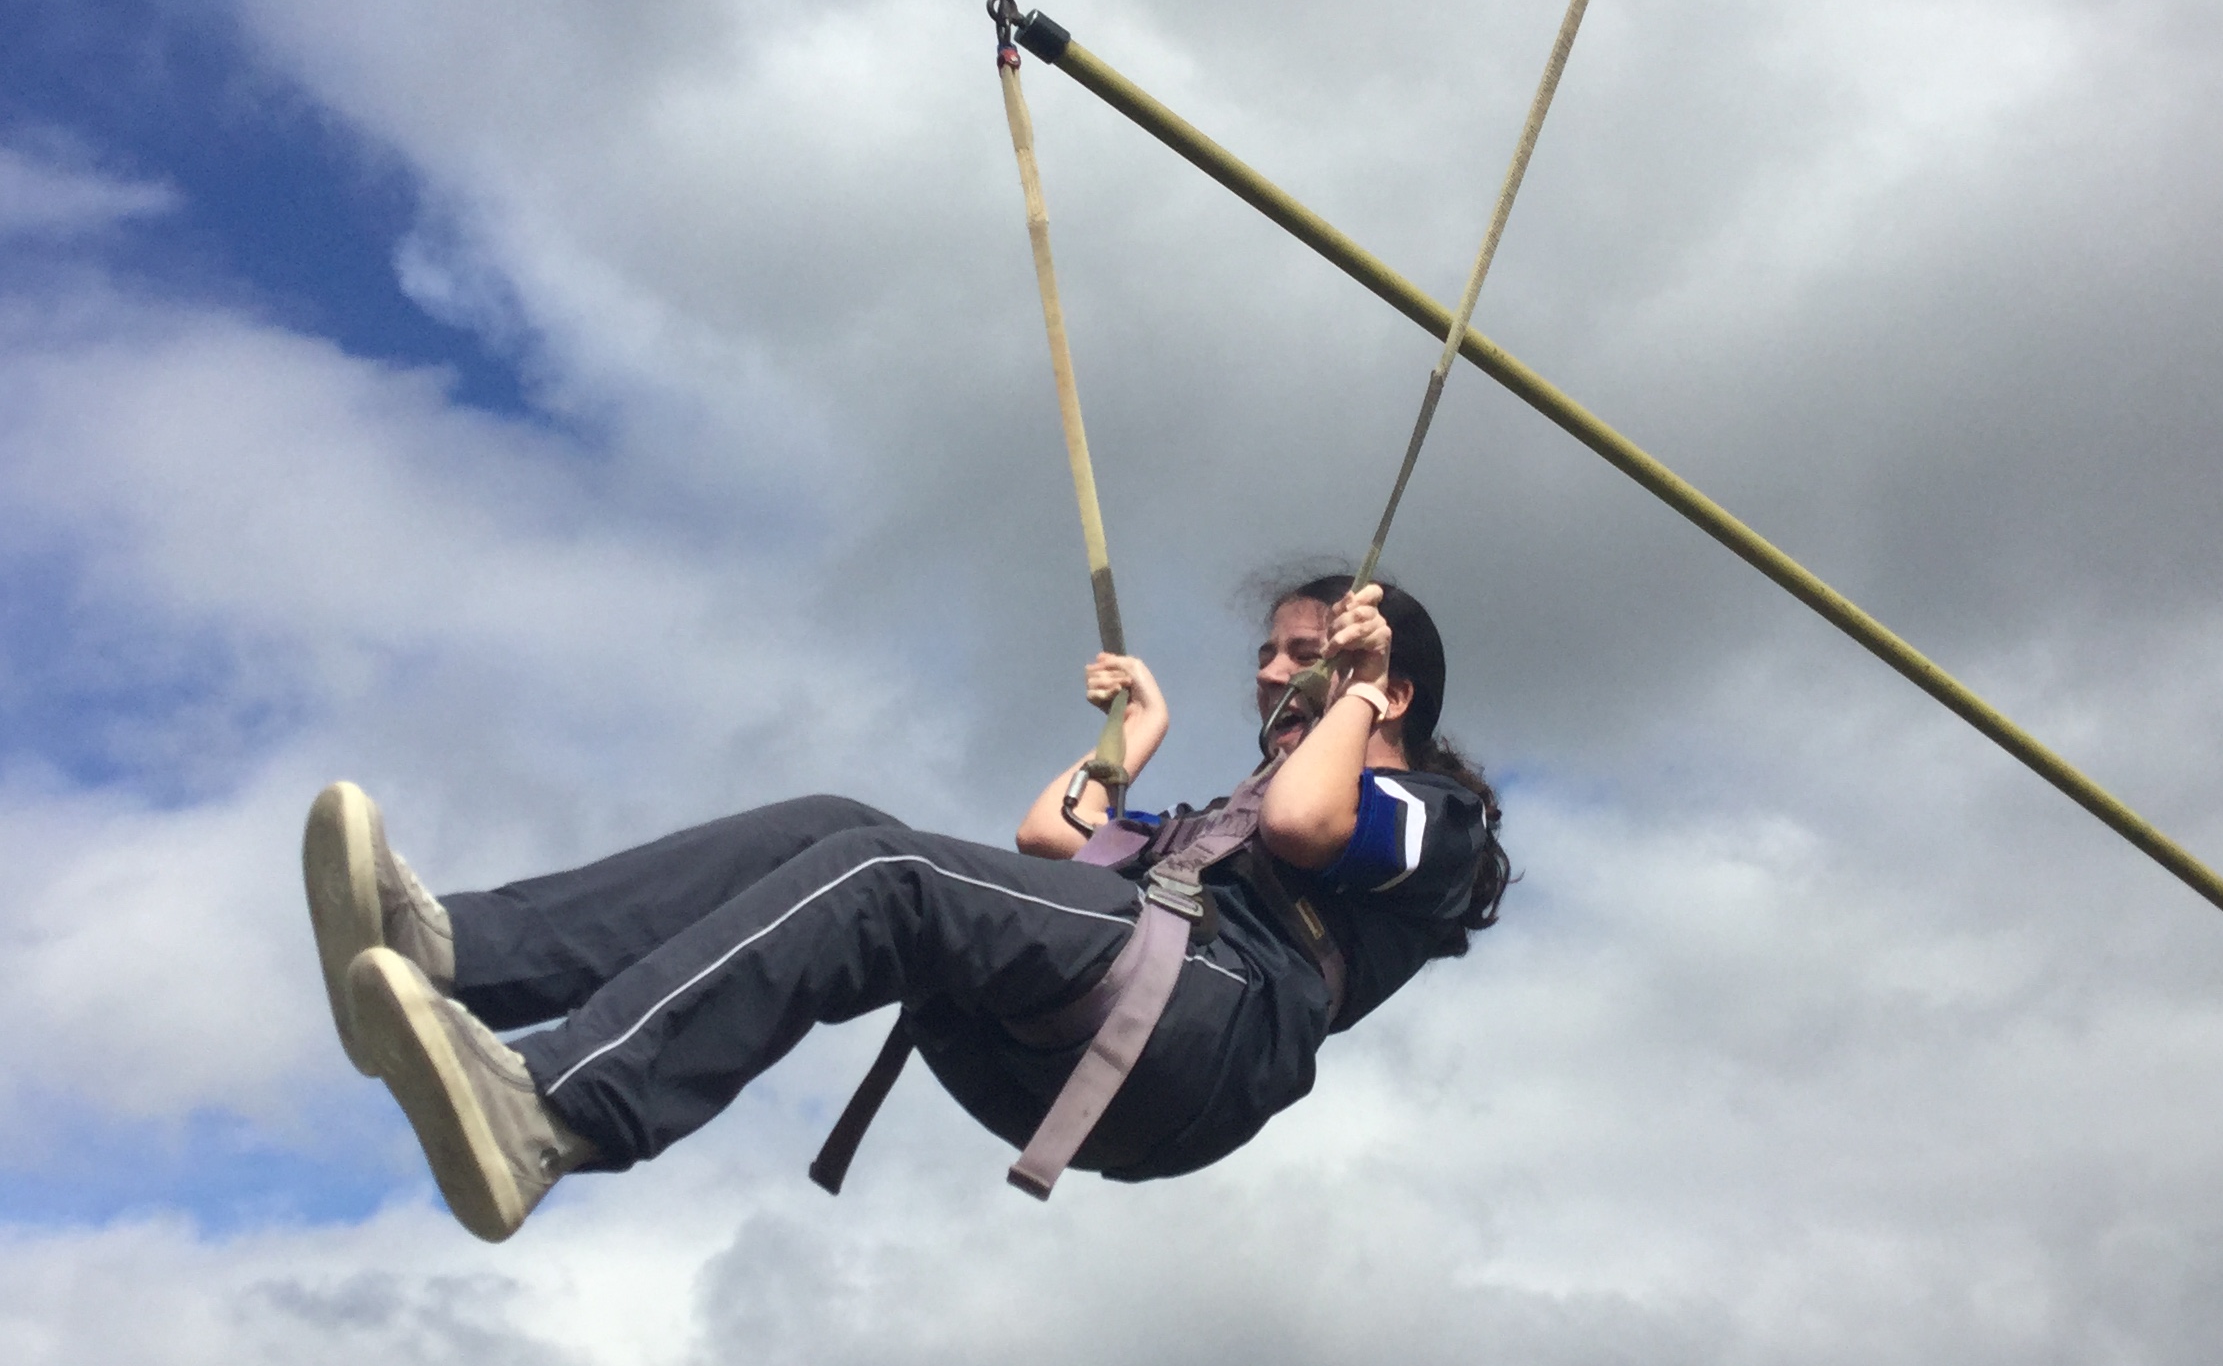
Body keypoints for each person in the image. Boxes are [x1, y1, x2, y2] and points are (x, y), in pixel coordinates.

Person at [304, 576, 1510, 1241]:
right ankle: (461, 954)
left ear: (1389, 685)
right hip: (1099, 1027)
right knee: (832, 825)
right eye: (1274, 652)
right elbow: (1054, 842)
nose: (1270, 670)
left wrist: (1354, 693)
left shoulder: (1435, 818)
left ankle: (554, 1113)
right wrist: (1133, 741)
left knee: (892, 882)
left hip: (1208, 1037)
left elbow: (1311, 823)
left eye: (1306, 650)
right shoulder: (1224, 818)